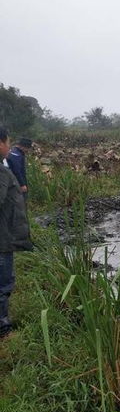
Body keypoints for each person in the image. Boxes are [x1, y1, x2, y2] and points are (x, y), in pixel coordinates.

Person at [0, 127, 33, 339]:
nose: (9, 146)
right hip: (2, 240)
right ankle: (3, 330)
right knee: (3, 284)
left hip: (5, 236)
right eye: (7, 142)